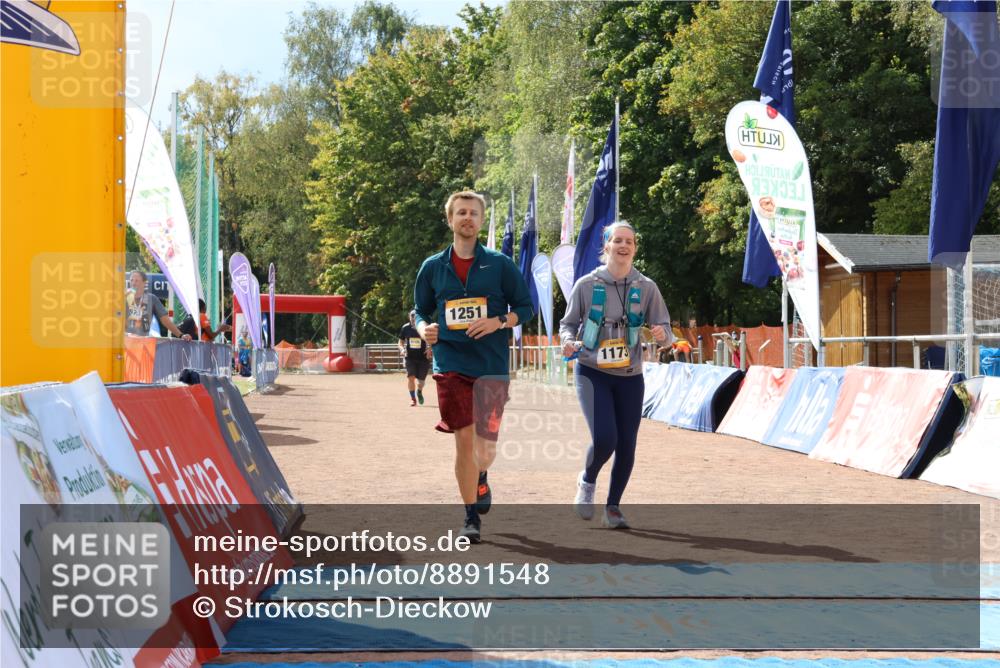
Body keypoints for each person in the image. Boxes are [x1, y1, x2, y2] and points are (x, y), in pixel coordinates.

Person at [414, 190, 533, 544]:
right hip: (450, 362)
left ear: (480, 222)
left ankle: (482, 477)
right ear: (450, 220)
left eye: (473, 213)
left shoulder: (499, 264)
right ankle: (470, 518)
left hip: (492, 366)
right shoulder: (433, 267)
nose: (467, 218)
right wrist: (425, 329)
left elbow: (526, 307)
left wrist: (499, 321)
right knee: (464, 441)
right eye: (461, 213)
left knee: (485, 449)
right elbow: (419, 311)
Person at [559, 221, 672, 529]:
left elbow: (667, 333)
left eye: (629, 242)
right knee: (606, 438)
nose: (624, 246)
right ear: (606, 246)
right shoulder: (586, 284)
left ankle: (613, 508)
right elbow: (567, 324)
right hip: (592, 371)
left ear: (635, 248)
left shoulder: (646, 287)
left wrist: (662, 334)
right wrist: (568, 341)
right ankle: (587, 480)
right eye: (617, 240)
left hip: (630, 376)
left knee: (627, 444)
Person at [126, 270, 191, 340]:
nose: (133, 283)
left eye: (136, 280)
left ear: (144, 283)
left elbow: (165, 320)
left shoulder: (151, 299)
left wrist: (181, 335)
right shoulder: (124, 297)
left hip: (142, 343)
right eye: (131, 280)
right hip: (123, 343)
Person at [399, 309, 432, 406]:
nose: (413, 319)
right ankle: (413, 398)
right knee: (411, 377)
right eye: (411, 316)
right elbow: (400, 341)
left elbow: (432, 339)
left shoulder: (425, 326)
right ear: (409, 317)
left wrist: (430, 348)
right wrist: (402, 349)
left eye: (415, 317)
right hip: (410, 357)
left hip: (423, 358)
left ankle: (419, 391)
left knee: (420, 382)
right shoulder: (405, 328)